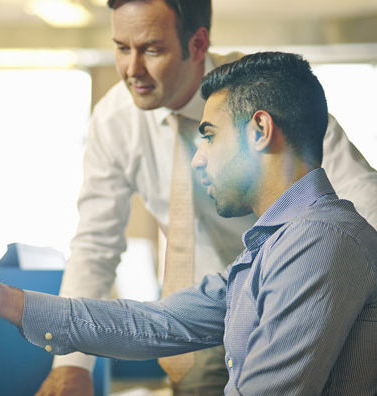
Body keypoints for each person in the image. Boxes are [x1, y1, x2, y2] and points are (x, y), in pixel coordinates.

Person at [0, 51, 377, 396]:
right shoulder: (274, 246)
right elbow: (154, 324)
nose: (198, 157)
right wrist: (1, 298)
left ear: (260, 130)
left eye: (208, 136)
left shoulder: (321, 243)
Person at [38, 0, 377, 394]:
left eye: (152, 49)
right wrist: (72, 363)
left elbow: (360, 204)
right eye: (121, 47)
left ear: (197, 44)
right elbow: (95, 243)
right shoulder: (115, 119)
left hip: (292, 288)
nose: (132, 70)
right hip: (207, 306)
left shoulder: (267, 97)